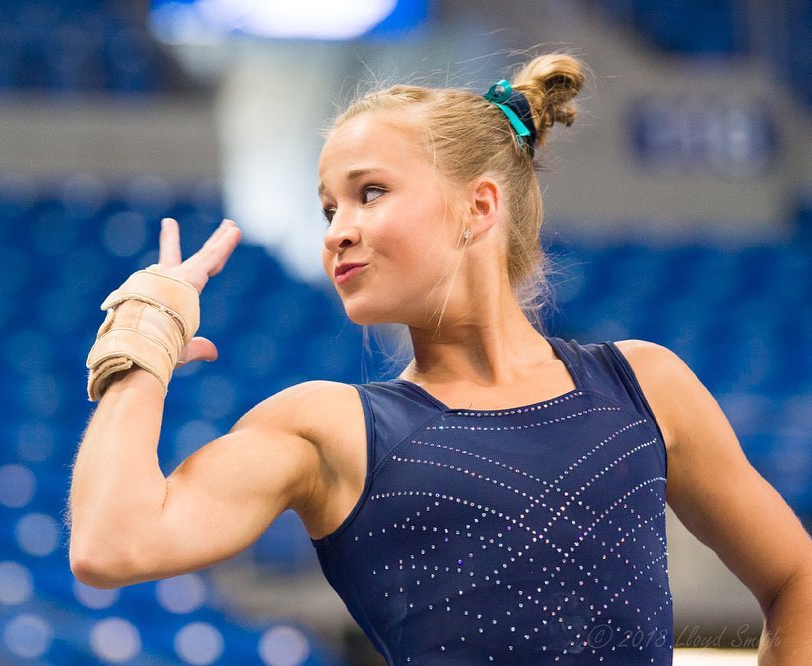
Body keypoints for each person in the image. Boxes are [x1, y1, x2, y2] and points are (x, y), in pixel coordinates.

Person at [67, 53, 812, 664]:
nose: (337, 231)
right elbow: (110, 545)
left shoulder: (645, 386)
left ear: (479, 207)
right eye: (329, 208)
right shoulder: (328, 430)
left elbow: (796, 576)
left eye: (370, 193)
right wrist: (143, 335)